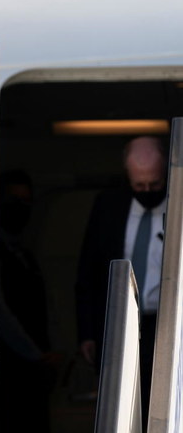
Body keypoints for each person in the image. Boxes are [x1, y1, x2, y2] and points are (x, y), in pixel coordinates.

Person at [75, 135, 167, 423]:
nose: (147, 190)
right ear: (128, 177)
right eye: (140, 185)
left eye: (155, 184)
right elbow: (89, 270)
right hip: (119, 321)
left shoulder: (177, 206)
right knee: (121, 406)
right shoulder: (109, 206)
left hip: (165, 323)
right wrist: (87, 332)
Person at [0, 170, 55, 433]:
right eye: (13, 201)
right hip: (9, 365)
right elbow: (0, 311)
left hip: (33, 366)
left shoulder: (25, 254)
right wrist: (35, 354)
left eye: (26, 202)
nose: (21, 209)